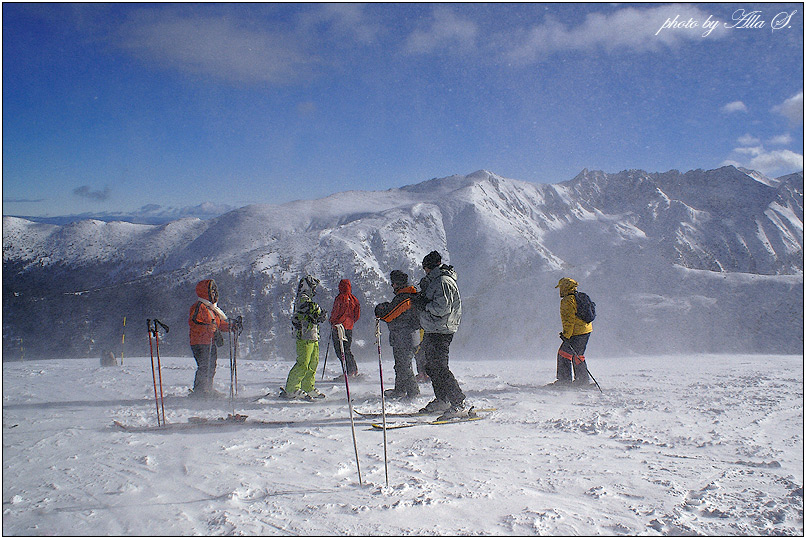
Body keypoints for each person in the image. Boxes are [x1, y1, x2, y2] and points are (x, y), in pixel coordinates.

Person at [414, 250, 466, 420]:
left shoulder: (442, 281)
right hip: (433, 328)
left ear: (428, 267)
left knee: (440, 367)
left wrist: (425, 305)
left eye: (425, 269)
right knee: (430, 365)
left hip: (441, 329)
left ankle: (458, 402)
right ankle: (443, 399)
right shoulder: (435, 280)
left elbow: (442, 308)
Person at [374, 270, 421, 400]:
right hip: (406, 337)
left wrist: (381, 311)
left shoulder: (404, 298)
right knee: (400, 364)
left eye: (393, 283)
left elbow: (390, 315)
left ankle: (413, 392)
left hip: (405, 337)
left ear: (398, 283)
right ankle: (400, 390)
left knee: (404, 365)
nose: (392, 286)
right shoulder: (407, 296)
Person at [282, 275, 328, 400]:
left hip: (312, 335)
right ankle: (292, 388)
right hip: (304, 335)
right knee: (303, 363)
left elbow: (315, 313)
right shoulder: (302, 299)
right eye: (313, 287)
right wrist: (318, 313)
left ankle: (307, 386)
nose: (314, 290)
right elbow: (310, 309)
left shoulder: (306, 299)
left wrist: (319, 315)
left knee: (313, 362)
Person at [188, 279, 233, 398]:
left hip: (209, 342)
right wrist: (208, 328)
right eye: (212, 291)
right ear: (205, 292)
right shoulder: (199, 307)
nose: (215, 294)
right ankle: (200, 391)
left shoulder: (211, 309)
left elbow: (218, 324)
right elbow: (193, 323)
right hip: (199, 342)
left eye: (215, 291)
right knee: (204, 366)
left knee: (211, 366)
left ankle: (206, 389)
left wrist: (231, 327)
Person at [553, 277, 593, 386]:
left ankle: (564, 381)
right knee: (578, 355)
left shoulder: (567, 301)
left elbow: (568, 321)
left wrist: (566, 335)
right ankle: (582, 380)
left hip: (576, 333)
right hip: (586, 331)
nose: (560, 290)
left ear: (565, 287)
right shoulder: (580, 297)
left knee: (563, 354)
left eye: (561, 287)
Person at [330, 278, 361, 378]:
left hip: (339, 327)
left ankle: (348, 372)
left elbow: (335, 311)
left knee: (340, 351)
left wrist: (332, 321)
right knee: (347, 349)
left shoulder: (340, 298)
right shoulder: (354, 299)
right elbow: (357, 314)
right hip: (349, 328)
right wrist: (351, 322)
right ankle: (353, 370)